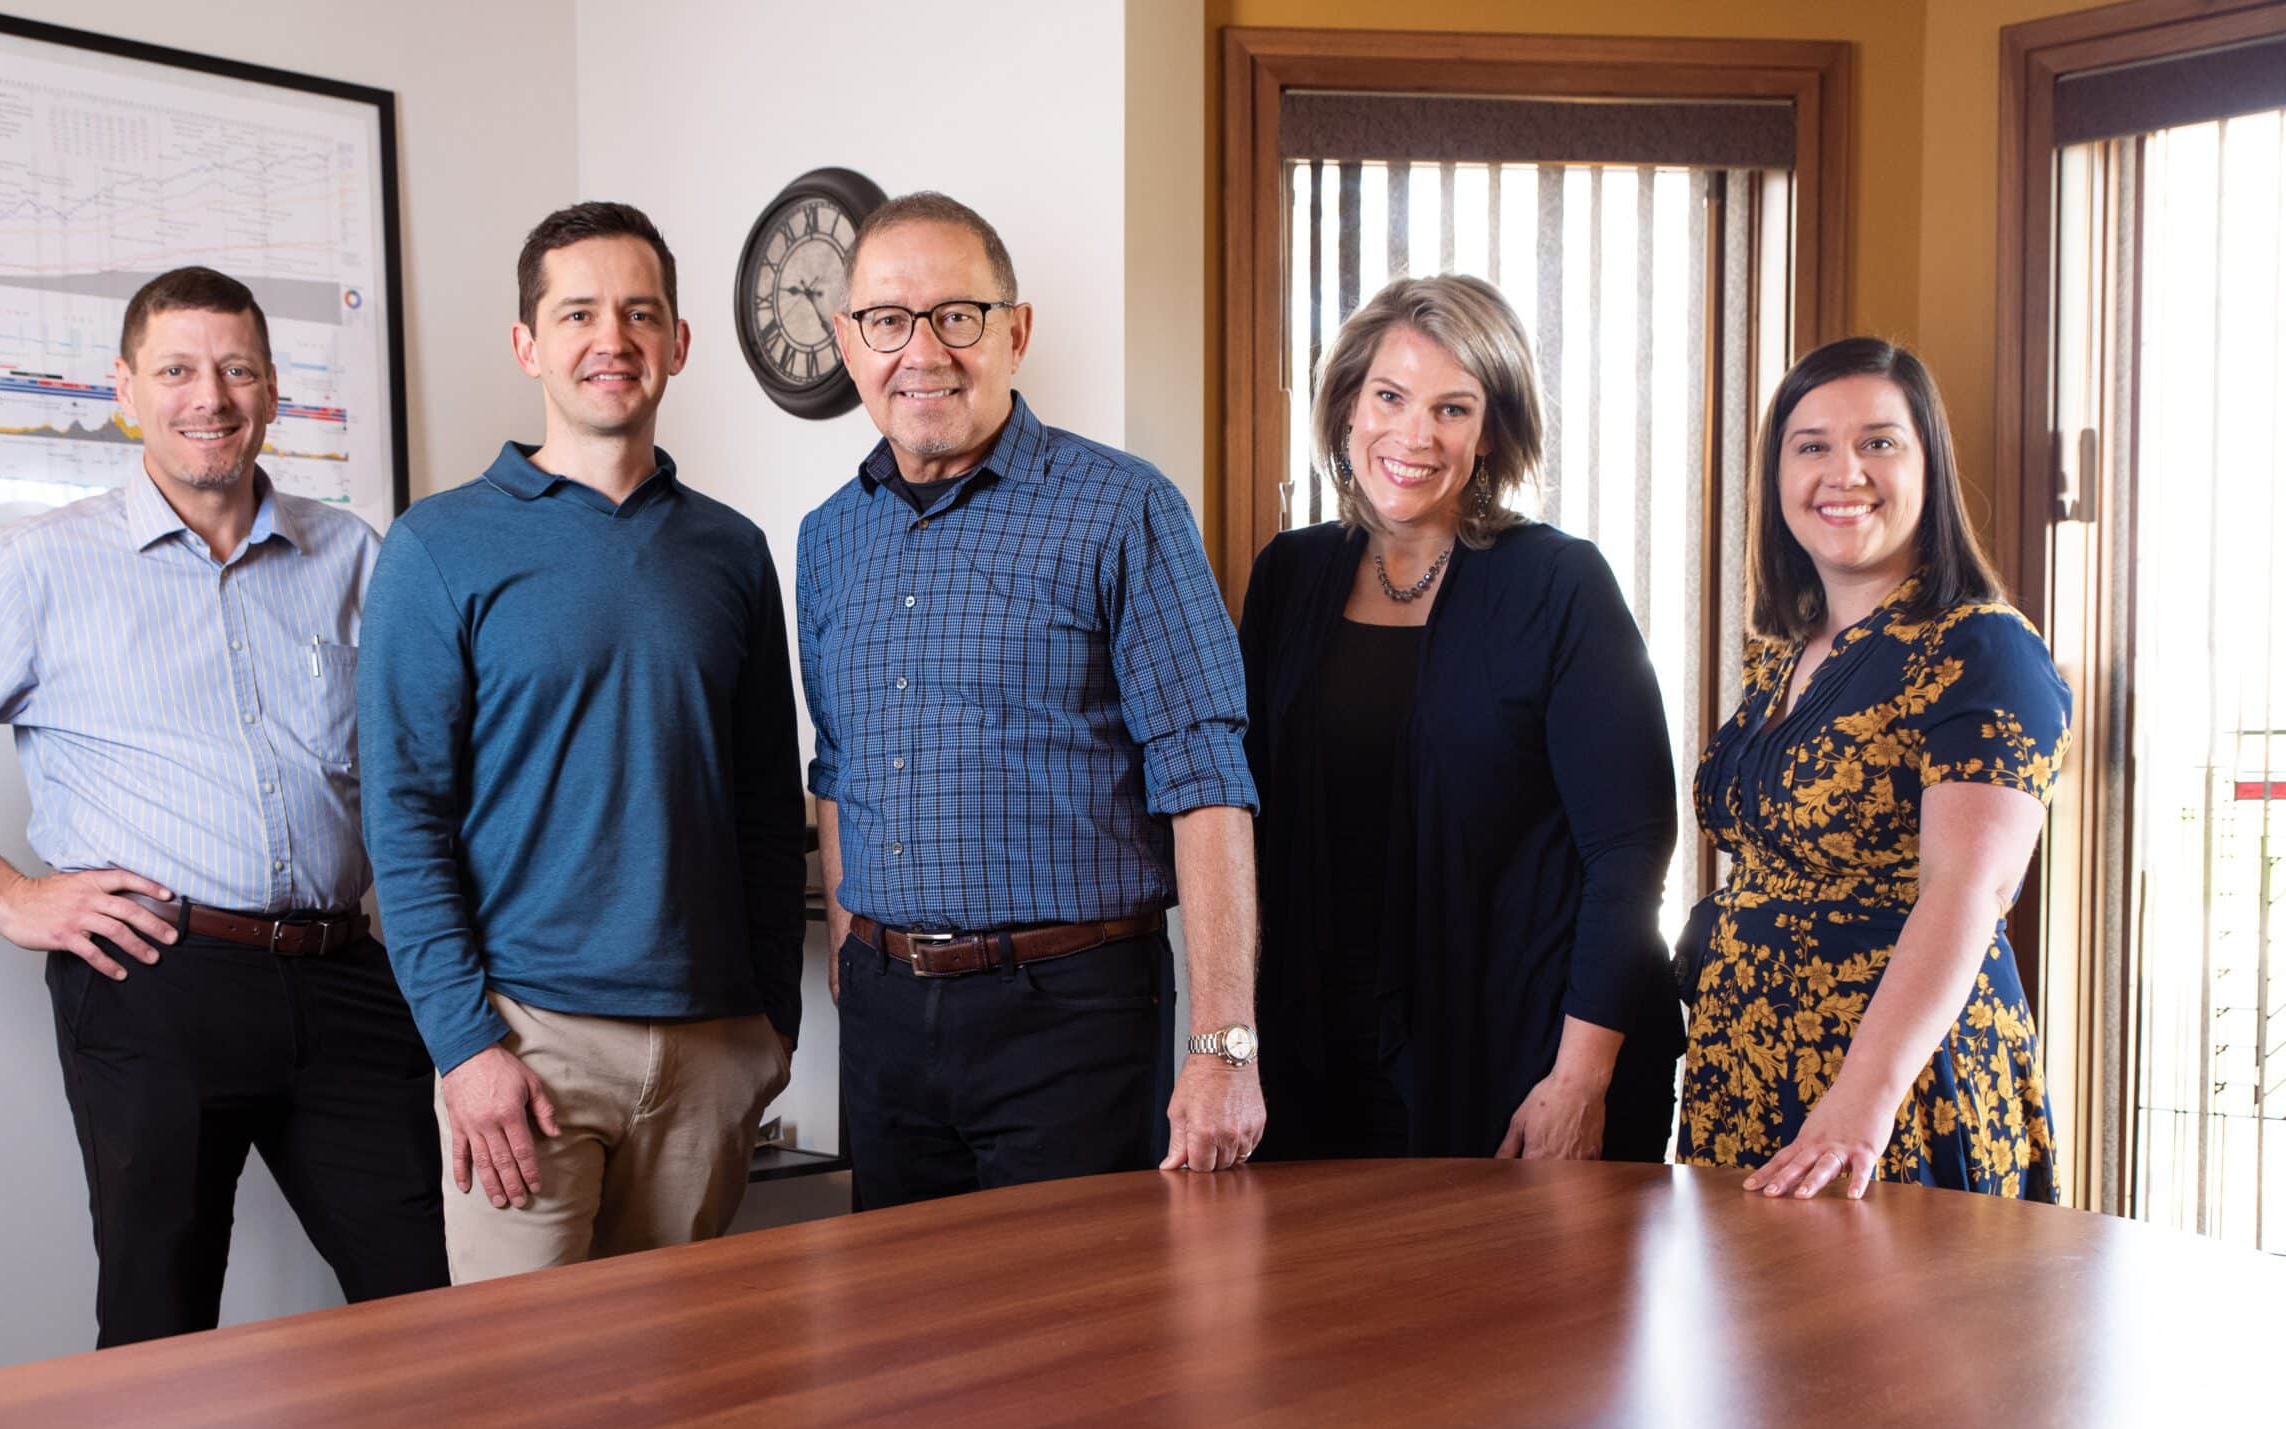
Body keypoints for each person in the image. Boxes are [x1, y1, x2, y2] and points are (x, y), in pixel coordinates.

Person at [0, 266, 447, 1347]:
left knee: (436, 1296)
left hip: (345, 975)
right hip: (155, 979)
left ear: (271, 389)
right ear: (126, 389)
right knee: (158, 1324)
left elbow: (423, 758)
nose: (208, 395)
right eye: (176, 369)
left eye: (236, 368)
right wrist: (10, 895)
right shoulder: (37, 566)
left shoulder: (350, 553)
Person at [359, 203, 802, 1279]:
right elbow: (403, 818)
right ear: (528, 345)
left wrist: (769, 1026)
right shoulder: (437, 546)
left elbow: (761, 799)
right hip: (530, 1043)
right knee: (524, 1411)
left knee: (678, 1394)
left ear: (678, 343)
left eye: (640, 312)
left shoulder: (732, 552)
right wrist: (466, 1046)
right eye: (579, 313)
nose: (614, 338)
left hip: (709, 1046)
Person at [798, 191, 1263, 1208]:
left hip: (1071, 1018)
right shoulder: (828, 537)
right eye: (886, 320)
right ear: (847, 340)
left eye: (956, 316)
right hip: (885, 1021)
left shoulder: (1122, 508)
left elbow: (1207, 778)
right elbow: (835, 764)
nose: (921, 351)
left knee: (1075, 1346)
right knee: (902, 1336)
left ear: (1015, 330)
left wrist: (1224, 1047)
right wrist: (847, 951)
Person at [1240, 274, 1683, 1163]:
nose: (1413, 434)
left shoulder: (1559, 585)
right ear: (1347, 406)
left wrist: (1580, 1081)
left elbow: (1629, 852)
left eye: (1452, 408)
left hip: (1517, 1064)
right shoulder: (1288, 575)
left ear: (1490, 433)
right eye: (1391, 397)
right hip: (1317, 1058)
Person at [1678, 337, 2071, 1200]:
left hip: (1893, 1097)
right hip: (1743, 1073)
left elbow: (1966, 888)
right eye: (1811, 445)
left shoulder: (1982, 646)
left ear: (1929, 465)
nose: (1842, 471)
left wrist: (1862, 1099)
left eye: (1879, 443)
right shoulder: (1780, 655)